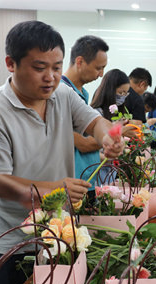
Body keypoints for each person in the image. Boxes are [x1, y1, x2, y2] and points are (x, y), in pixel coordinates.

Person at [0, 20, 124, 284]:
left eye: (57, 68)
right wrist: (55, 189)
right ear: (11, 63)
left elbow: (94, 121)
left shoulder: (62, 95)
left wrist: (108, 136)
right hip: (14, 239)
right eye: (39, 67)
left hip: (61, 231)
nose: (51, 77)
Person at [62, 35, 108, 194]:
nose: (101, 74)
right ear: (79, 62)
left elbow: (96, 125)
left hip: (86, 179)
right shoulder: (60, 93)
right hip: (71, 183)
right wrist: (114, 136)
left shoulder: (83, 93)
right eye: (98, 68)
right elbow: (83, 143)